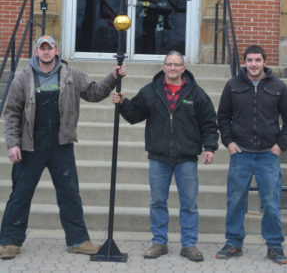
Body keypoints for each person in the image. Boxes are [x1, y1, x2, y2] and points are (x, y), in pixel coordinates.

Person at [0, 35, 126, 260]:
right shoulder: (23, 77)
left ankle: (78, 240)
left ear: (56, 50)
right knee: (20, 194)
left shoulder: (71, 74)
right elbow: (11, 113)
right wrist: (12, 144)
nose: (47, 52)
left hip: (61, 144)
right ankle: (9, 241)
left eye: (50, 48)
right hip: (31, 145)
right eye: (43, 48)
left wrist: (112, 77)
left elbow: (95, 93)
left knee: (69, 194)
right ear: (37, 52)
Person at [112, 50, 218, 262]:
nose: (172, 68)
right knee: (158, 201)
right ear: (163, 67)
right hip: (159, 157)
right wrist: (123, 102)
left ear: (183, 68)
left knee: (189, 203)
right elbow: (134, 115)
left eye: (177, 65)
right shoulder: (151, 91)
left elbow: (209, 123)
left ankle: (189, 245)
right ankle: (159, 242)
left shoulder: (196, 94)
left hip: (186, 157)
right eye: (169, 64)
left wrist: (210, 147)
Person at [216, 45, 287, 265]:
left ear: (264, 62)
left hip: (267, 156)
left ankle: (274, 247)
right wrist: (229, 142)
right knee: (235, 202)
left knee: (271, 203)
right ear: (244, 62)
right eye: (250, 60)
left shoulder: (278, 87)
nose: (253, 64)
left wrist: (280, 146)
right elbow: (223, 116)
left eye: (257, 60)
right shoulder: (233, 86)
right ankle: (233, 243)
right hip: (240, 154)